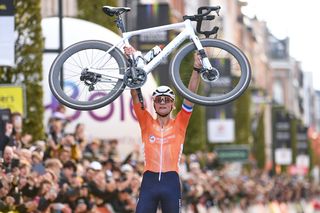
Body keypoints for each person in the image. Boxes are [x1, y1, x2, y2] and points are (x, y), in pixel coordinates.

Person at [124, 46, 202, 213]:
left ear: (172, 104)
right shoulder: (146, 122)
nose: (163, 102)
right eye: (159, 100)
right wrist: (129, 62)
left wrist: (196, 69)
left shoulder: (180, 123)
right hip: (149, 182)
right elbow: (134, 93)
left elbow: (190, 96)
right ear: (154, 104)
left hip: (171, 182)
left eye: (167, 100)